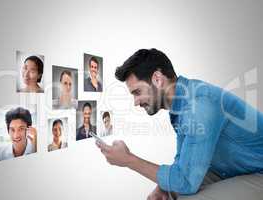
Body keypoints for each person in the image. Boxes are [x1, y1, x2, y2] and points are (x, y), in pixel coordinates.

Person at [96, 49, 263, 200]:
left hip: (258, 170)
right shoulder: (181, 103)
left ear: (157, 79)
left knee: (186, 196)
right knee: (171, 194)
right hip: (231, 167)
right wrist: (162, 187)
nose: (136, 102)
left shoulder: (199, 105)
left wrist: (128, 160)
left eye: (137, 92)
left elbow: (186, 182)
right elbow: (183, 159)